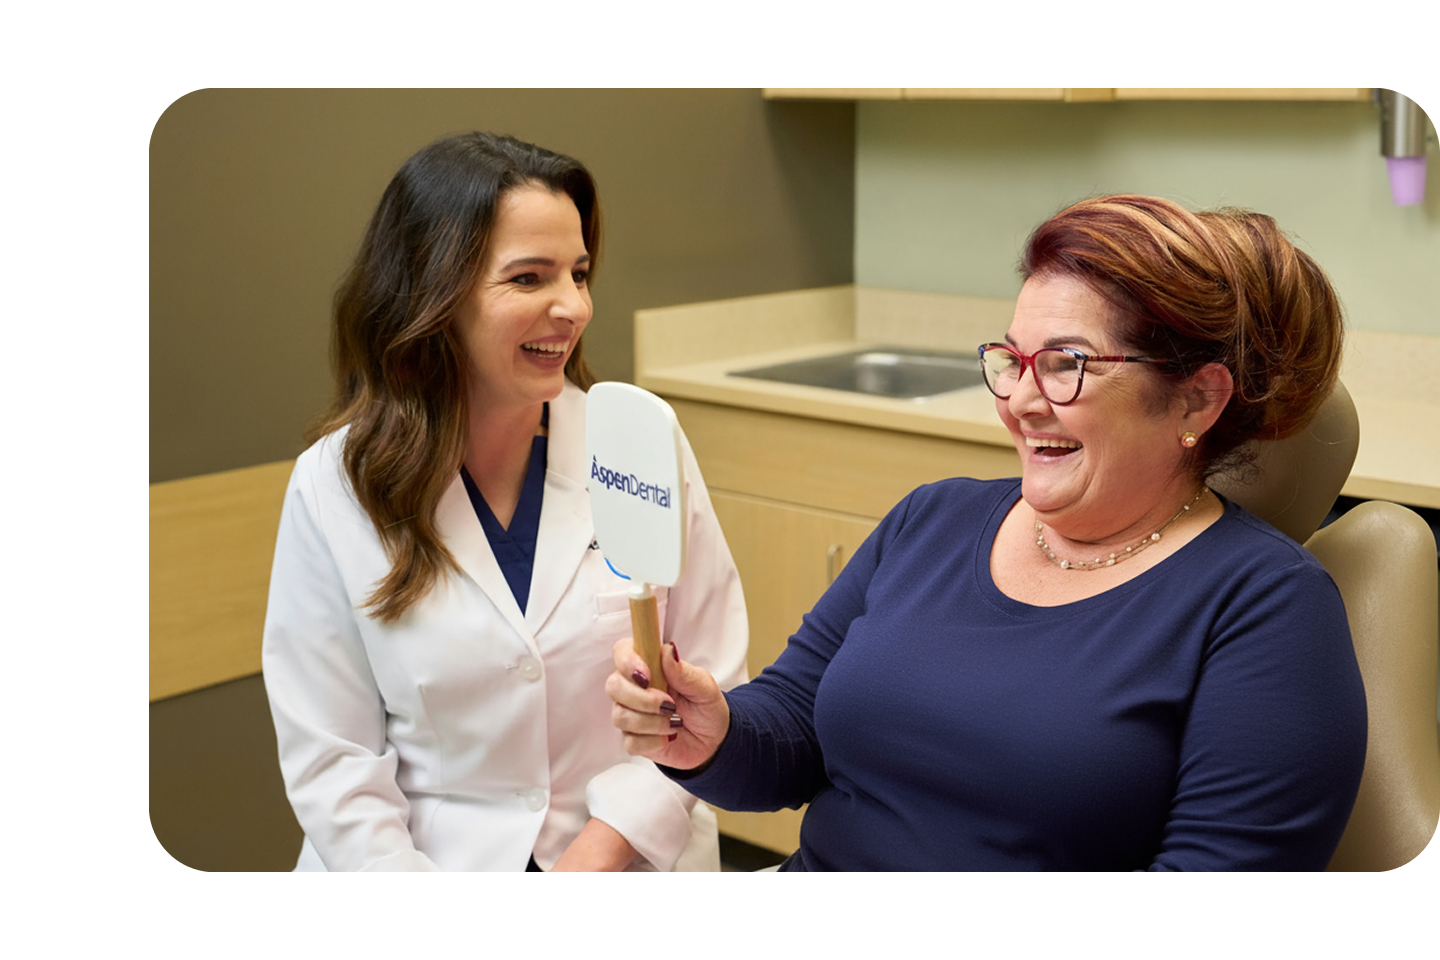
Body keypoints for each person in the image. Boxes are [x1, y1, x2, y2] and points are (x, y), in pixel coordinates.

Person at [608, 194, 1368, 871]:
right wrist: (710, 734)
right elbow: (791, 739)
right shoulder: (932, 520)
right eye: (1012, 359)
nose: (1020, 402)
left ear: (1197, 402)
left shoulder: (1266, 610)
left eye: (1066, 365)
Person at [262, 132, 749, 871]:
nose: (574, 307)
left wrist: (601, 855)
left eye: (579, 274)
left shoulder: (634, 442)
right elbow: (334, 760)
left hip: (622, 858)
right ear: (432, 296)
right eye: (529, 279)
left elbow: (718, 671)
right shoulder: (335, 485)